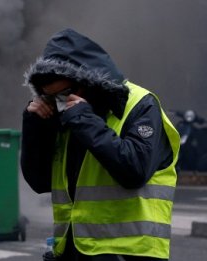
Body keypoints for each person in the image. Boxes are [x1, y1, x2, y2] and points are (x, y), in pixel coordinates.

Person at [21, 28, 180, 261]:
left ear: (86, 79)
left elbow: (134, 170)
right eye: (50, 97)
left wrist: (85, 120)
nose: (59, 102)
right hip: (74, 251)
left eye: (64, 93)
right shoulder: (66, 114)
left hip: (130, 253)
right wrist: (34, 126)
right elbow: (40, 181)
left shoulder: (139, 105)